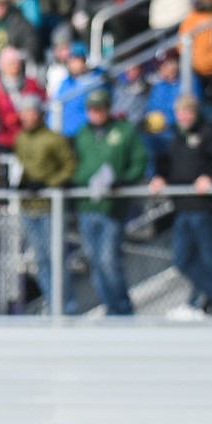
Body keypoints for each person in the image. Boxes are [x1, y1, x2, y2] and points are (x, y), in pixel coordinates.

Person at [149, 94, 212, 319]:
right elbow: (171, 169)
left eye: (188, 111)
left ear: (196, 112)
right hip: (182, 208)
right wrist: (160, 178)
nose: (184, 116)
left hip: (203, 208)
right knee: (182, 260)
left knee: (210, 258)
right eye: (180, 111)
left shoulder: (208, 134)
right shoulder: (176, 138)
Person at [71, 88, 148, 316]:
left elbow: (140, 159)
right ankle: (110, 307)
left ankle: (123, 309)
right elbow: (76, 165)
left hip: (113, 206)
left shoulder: (124, 131)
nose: (95, 113)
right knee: (95, 261)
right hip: (87, 204)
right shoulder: (83, 134)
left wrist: (125, 179)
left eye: (99, 109)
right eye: (91, 110)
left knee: (108, 259)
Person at [13, 93, 77, 315]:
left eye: (31, 113)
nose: (27, 117)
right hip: (30, 207)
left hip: (50, 207)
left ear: (40, 114)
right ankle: (53, 303)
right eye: (24, 113)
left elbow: (69, 167)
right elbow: (21, 167)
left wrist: (48, 184)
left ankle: (66, 306)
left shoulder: (53, 139)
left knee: (56, 257)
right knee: (41, 259)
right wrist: (20, 183)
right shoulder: (21, 138)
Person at [0, 46, 45, 151]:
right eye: (10, 64)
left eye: (16, 63)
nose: (14, 67)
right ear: (2, 66)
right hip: (5, 137)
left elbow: (42, 103)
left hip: (30, 136)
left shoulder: (31, 83)